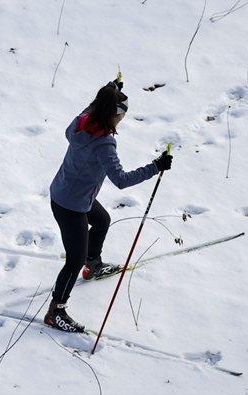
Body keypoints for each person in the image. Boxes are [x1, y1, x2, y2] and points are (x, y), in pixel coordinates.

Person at [45, 79, 173, 332]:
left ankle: (92, 265)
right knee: (74, 260)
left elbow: (93, 107)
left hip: (67, 192)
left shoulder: (80, 122)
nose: (122, 120)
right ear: (113, 115)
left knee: (102, 220)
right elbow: (121, 180)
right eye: (121, 115)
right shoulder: (103, 144)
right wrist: (155, 167)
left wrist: (108, 91)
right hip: (71, 205)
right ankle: (55, 312)